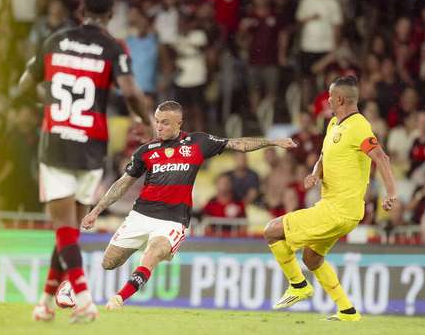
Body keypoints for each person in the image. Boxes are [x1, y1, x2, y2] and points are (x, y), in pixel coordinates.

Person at [17, 0, 151, 324]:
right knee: (70, 230)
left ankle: (84, 298)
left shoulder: (55, 40)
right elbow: (132, 90)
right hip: (92, 146)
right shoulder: (111, 46)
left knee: (63, 227)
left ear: (80, 10)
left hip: (58, 140)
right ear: (109, 15)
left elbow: (22, 85)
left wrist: (51, 102)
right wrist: (145, 120)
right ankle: (45, 302)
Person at [81, 101, 297, 310]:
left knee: (153, 253)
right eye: (157, 121)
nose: (159, 126)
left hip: (173, 221)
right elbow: (122, 184)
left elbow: (237, 144)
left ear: (179, 123)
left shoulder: (197, 142)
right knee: (108, 262)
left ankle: (119, 298)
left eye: (165, 122)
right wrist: (96, 211)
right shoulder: (146, 151)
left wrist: (272, 142)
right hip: (141, 214)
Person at [263, 76, 397, 322]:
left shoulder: (359, 126)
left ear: (341, 99)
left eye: (330, 96)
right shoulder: (334, 123)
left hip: (339, 210)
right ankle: (347, 310)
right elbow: (323, 158)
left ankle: (298, 285)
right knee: (312, 258)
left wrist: (390, 192)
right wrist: (315, 174)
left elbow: (382, 158)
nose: (327, 100)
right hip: (336, 208)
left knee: (272, 231)